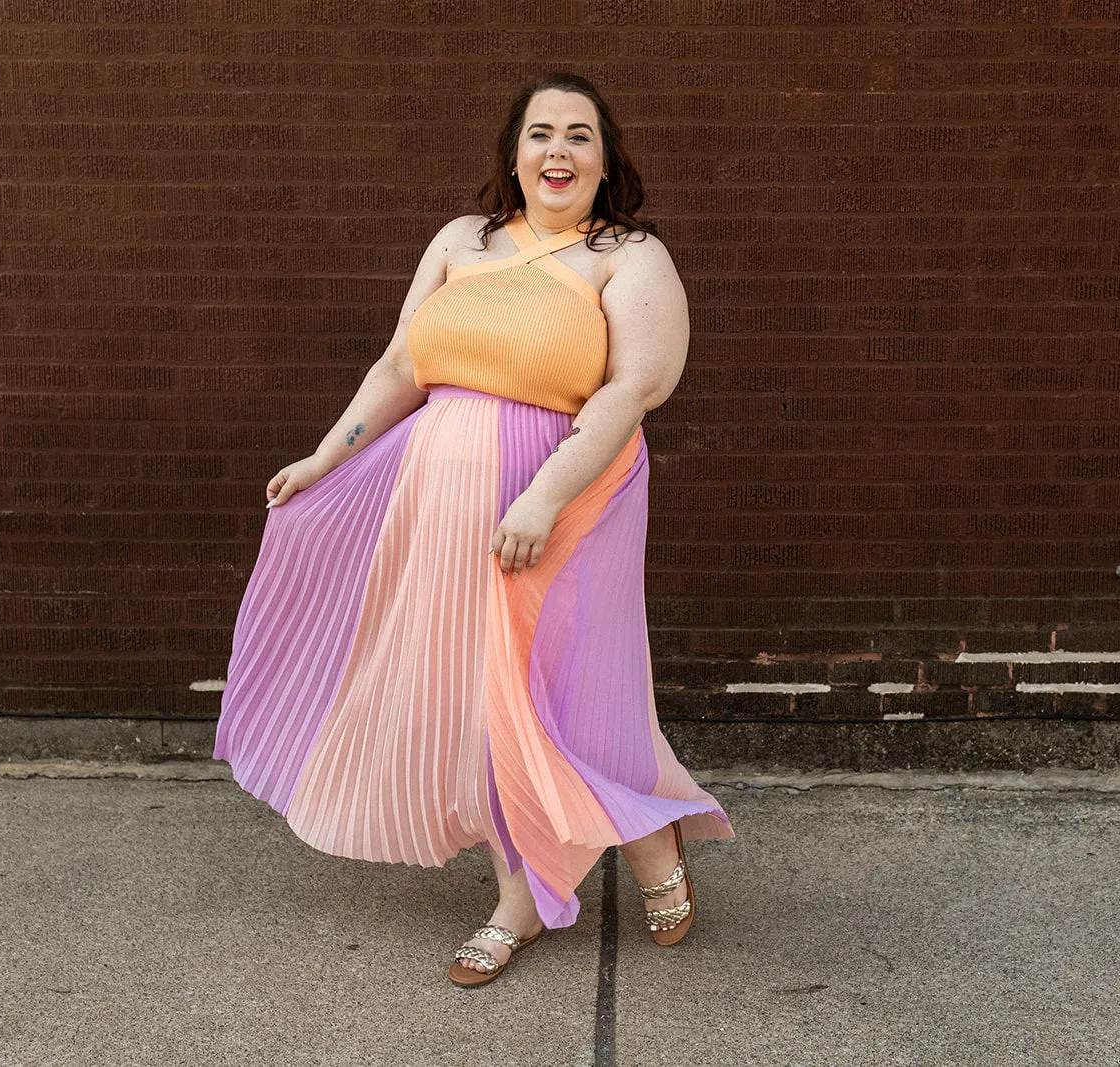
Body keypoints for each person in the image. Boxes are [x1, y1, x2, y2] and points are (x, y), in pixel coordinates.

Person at [212, 71, 735, 987]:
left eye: (580, 135)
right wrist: (325, 459)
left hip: (567, 497)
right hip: (437, 502)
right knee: (476, 696)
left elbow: (631, 390)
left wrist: (540, 497)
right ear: (513, 153)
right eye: (540, 134)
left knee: (562, 689)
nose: (558, 151)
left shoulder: (629, 256)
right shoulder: (463, 241)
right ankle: (558, 878)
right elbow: (400, 365)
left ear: (607, 160)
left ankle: (603, 866)